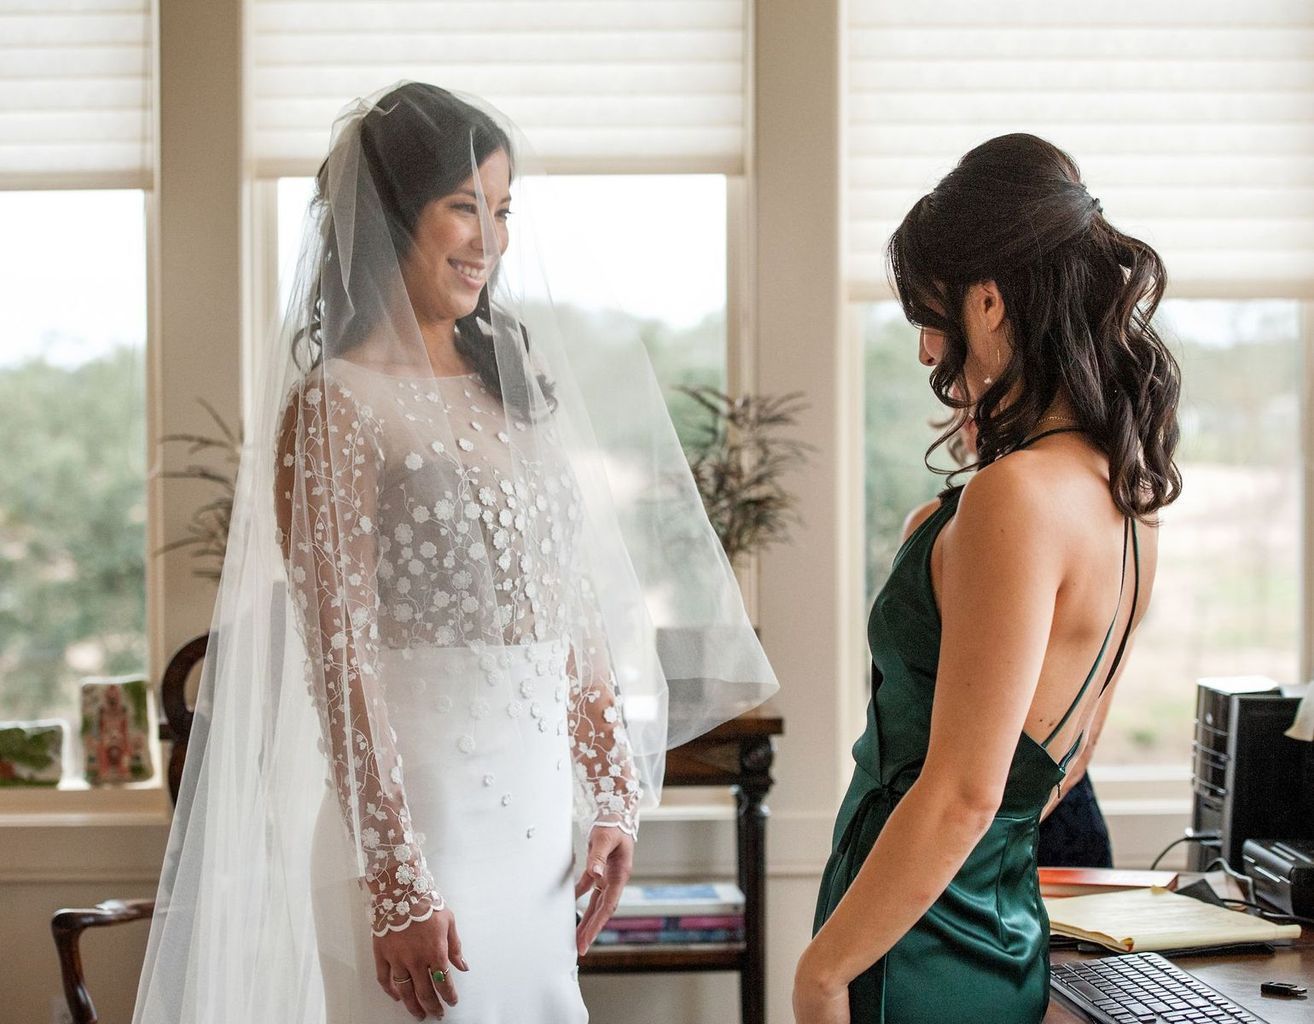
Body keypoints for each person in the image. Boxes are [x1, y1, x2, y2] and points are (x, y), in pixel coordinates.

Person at [132, 83, 776, 1024]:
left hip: (535, 839)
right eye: (464, 207)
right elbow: (339, 656)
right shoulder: (335, 408)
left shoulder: (511, 392)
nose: (490, 239)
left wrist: (610, 798)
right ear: (392, 215)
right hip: (418, 841)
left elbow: (573, 610)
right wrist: (396, 882)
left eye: (504, 210)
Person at [796, 133, 1181, 1024]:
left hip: (912, 948)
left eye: (933, 316)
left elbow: (965, 789)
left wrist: (821, 972)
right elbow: (1062, 760)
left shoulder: (1015, 495)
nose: (932, 350)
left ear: (990, 300)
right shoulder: (1127, 496)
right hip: (1002, 931)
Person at [902, 408, 1116, 869]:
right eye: (965, 408)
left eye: (991, 406)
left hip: (1037, 824)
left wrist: (971, 844)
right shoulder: (928, 526)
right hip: (930, 816)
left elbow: (1082, 737)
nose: (975, 420)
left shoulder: (1106, 525)